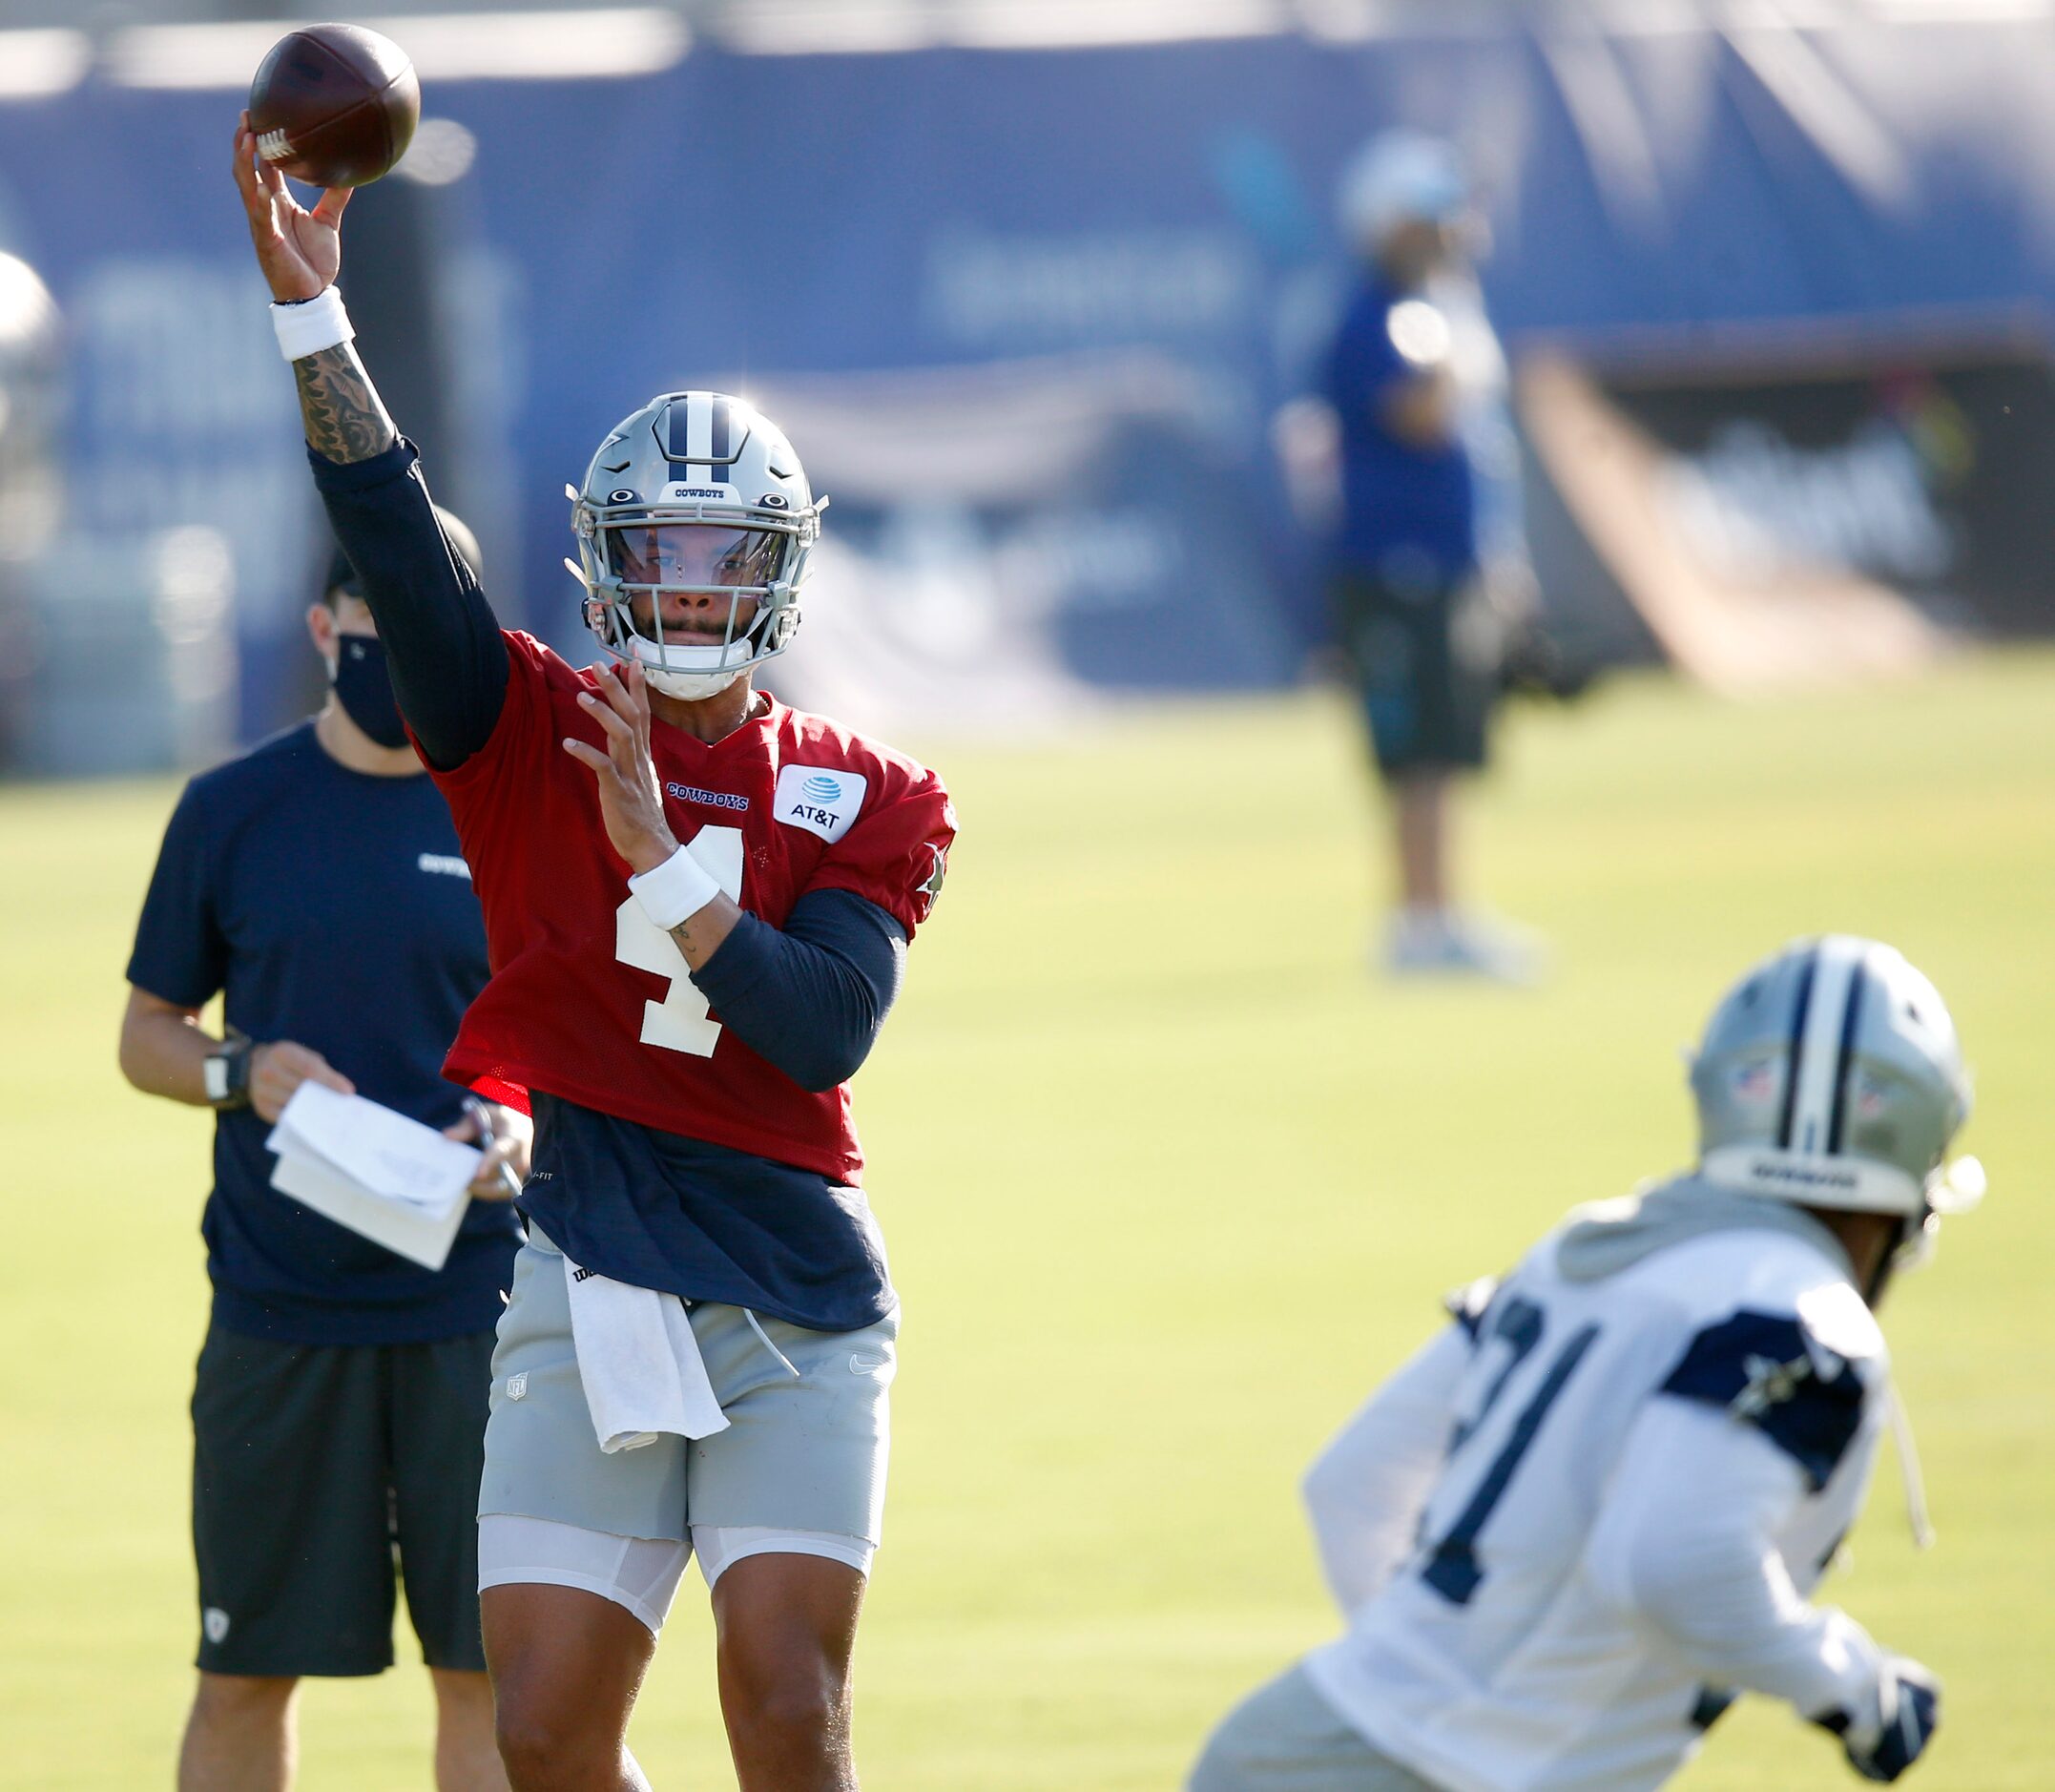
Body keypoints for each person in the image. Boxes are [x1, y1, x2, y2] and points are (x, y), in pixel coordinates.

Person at [232, 113, 956, 1792]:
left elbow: (822, 1030)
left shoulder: (866, 790)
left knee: (783, 1699)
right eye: (659, 554)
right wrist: (311, 321)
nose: (689, 593)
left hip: (789, 1286)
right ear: (601, 558)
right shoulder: (520, 728)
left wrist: (670, 875)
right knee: (547, 1730)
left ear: (777, 571)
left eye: (724, 558)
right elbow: (399, 547)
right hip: (584, 1265)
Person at [1190, 935, 1982, 1791]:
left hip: (1284, 1743)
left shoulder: (1592, 1249)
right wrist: (1856, 1688)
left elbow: (1351, 1483)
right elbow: (1675, 1562)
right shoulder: (1811, 1320)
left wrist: (1431, 1689)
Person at [120, 521, 530, 1792]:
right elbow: (147, 1035)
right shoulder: (230, 810)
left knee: (487, 1672)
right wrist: (246, 1072)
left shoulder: (514, 812)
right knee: (245, 1672)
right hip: (279, 1309)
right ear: (324, 629)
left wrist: (519, 1116)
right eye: (378, 628)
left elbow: (567, 1034)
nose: (402, 660)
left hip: (478, 1307)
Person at [1324, 132, 1539, 979]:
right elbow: (1415, 416)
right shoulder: (1376, 318)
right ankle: (1420, 923)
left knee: (1448, 748)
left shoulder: (1436, 311)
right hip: (1394, 563)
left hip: (1444, 561)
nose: (1455, 233)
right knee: (1417, 750)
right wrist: (1456, 360)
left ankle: (1442, 912)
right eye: (1435, 218)